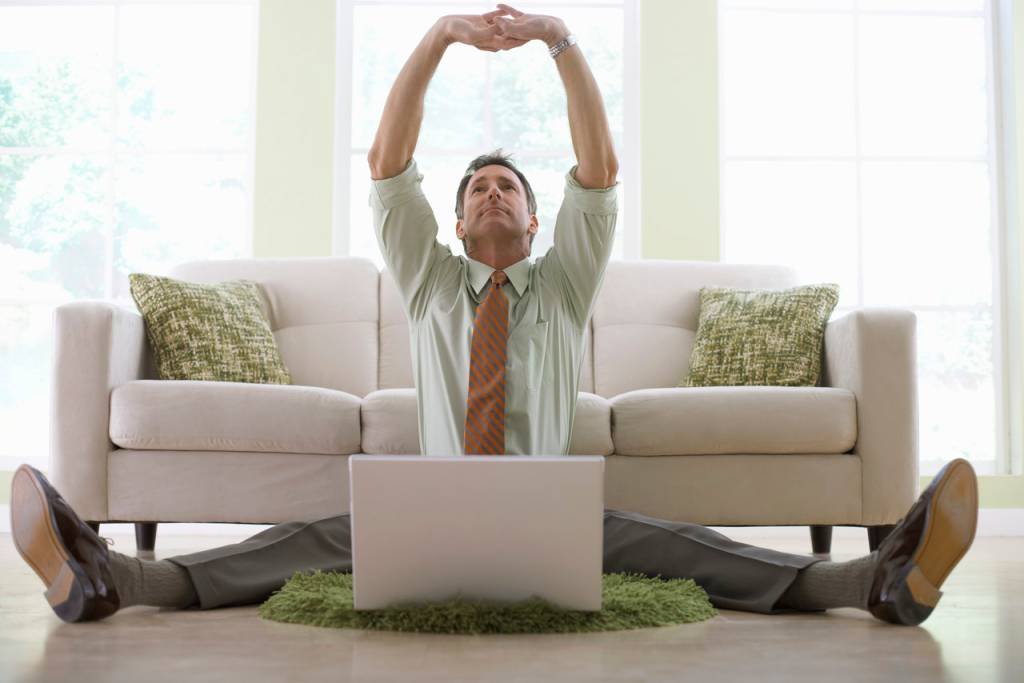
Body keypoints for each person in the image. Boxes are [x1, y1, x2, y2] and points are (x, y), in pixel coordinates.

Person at [11, 4, 978, 627]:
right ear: (456, 217)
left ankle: (879, 581)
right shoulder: (432, 280)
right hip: (429, 497)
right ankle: (109, 578)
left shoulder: (562, 282)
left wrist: (562, 43)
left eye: (506, 184)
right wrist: (436, 38)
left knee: (690, 551)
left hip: (556, 505)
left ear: (533, 213)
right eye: (473, 185)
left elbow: (598, 166)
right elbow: (388, 161)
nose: (487, 192)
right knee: (293, 546)